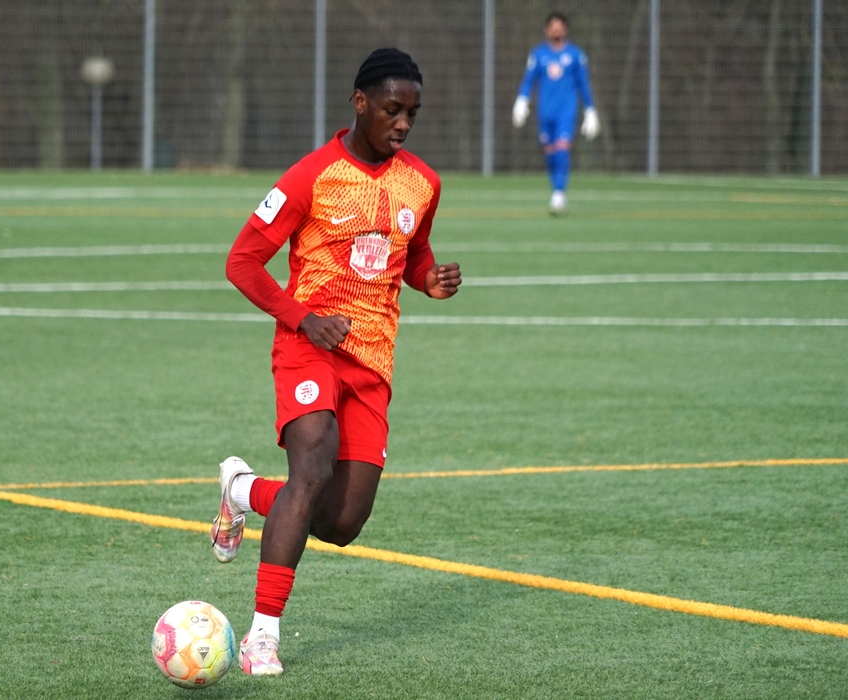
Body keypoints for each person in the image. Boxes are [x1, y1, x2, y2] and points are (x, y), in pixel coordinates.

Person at [212, 47, 462, 676]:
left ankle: (242, 491)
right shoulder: (311, 176)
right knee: (313, 467)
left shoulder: (423, 184)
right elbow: (242, 262)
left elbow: (412, 253)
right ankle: (262, 637)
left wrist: (429, 279)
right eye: (392, 109)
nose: (403, 123)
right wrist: (303, 319)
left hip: (372, 364)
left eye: (412, 113)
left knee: (343, 522)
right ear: (360, 102)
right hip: (309, 347)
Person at [512, 11, 600, 215]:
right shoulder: (538, 55)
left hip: (566, 112)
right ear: (546, 30)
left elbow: (583, 84)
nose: (556, 31)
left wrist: (590, 110)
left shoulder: (576, 55)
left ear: (566, 29)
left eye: (560, 27)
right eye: (553, 27)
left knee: (562, 149)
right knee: (550, 153)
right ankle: (556, 190)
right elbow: (529, 80)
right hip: (545, 113)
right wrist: (521, 100)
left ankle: (559, 193)